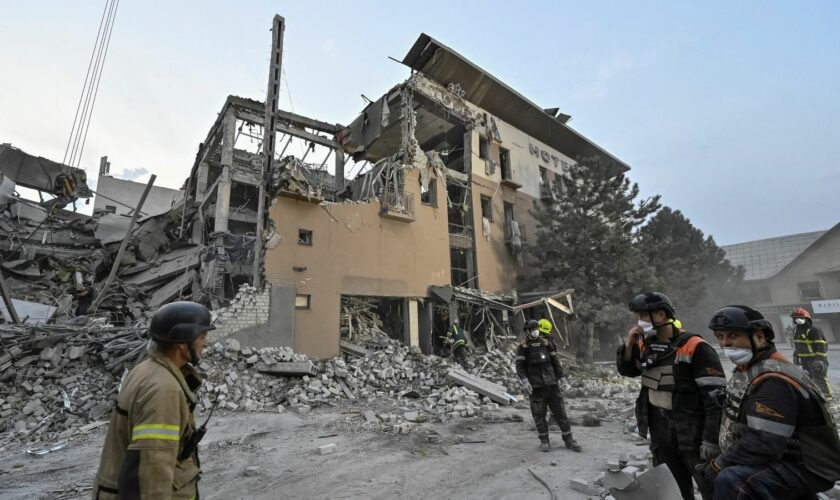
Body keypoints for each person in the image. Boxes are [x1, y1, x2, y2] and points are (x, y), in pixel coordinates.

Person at [700, 305, 840, 499]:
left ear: (759, 337)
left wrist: (719, 464)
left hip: (801, 465)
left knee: (730, 480)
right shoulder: (751, 368)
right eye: (721, 337)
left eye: (733, 336)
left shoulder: (774, 380)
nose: (725, 344)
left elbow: (762, 443)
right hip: (781, 456)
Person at [92, 301, 213, 499]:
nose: (205, 343)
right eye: (202, 336)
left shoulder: (147, 369)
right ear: (182, 343)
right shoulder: (163, 389)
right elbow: (152, 470)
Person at [617, 292, 726, 500]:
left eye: (645, 316)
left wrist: (710, 440)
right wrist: (629, 344)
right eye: (639, 316)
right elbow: (628, 370)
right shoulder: (645, 344)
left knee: (709, 484)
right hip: (659, 426)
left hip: (691, 427)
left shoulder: (695, 345)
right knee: (672, 486)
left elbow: (715, 399)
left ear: (661, 314)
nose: (640, 321)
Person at [516, 319, 581, 453]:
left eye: (537, 328)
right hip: (536, 387)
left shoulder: (547, 344)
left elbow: (555, 362)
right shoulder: (523, 347)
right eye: (533, 329)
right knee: (539, 415)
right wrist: (525, 381)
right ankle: (544, 441)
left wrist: (562, 379)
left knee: (560, 413)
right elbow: (520, 367)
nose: (535, 331)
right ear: (527, 331)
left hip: (552, 384)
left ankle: (569, 440)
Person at [790, 307, 832, 400]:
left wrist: (819, 359)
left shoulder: (814, 330)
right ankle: (816, 397)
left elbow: (822, 345)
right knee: (809, 379)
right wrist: (796, 357)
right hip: (804, 361)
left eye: (800, 317)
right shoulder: (796, 330)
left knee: (820, 379)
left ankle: (827, 399)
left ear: (807, 318)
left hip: (815, 359)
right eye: (795, 318)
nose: (798, 320)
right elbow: (797, 345)